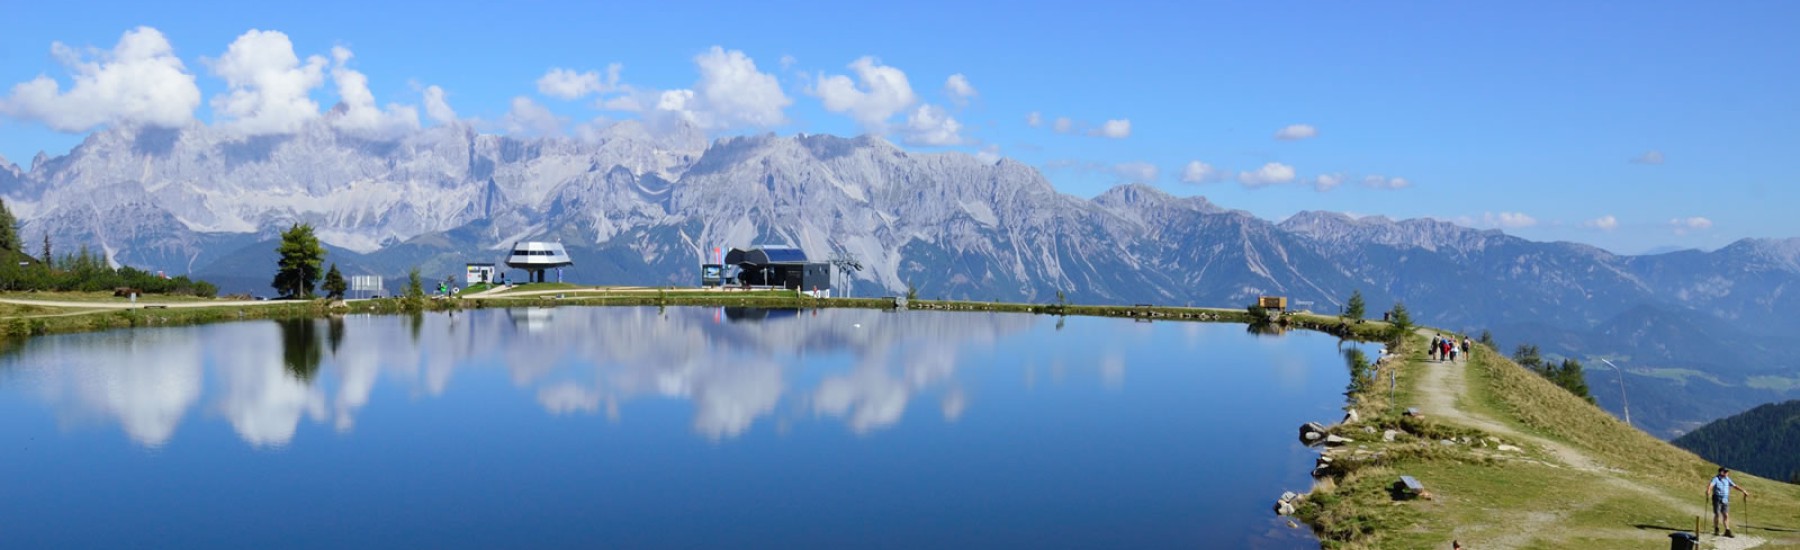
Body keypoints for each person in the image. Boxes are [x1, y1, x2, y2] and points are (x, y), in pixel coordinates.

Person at [1708, 466, 1751, 537]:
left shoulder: (1727, 479)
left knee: (1726, 515)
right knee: (1717, 514)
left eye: (1727, 472)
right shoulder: (1716, 479)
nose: (1727, 473)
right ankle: (1716, 529)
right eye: (1725, 472)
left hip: (1725, 498)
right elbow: (1711, 485)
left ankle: (1727, 530)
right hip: (1717, 498)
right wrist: (1708, 491)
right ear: (1720, 472)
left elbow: (1734, 486)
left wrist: (1743, 491)